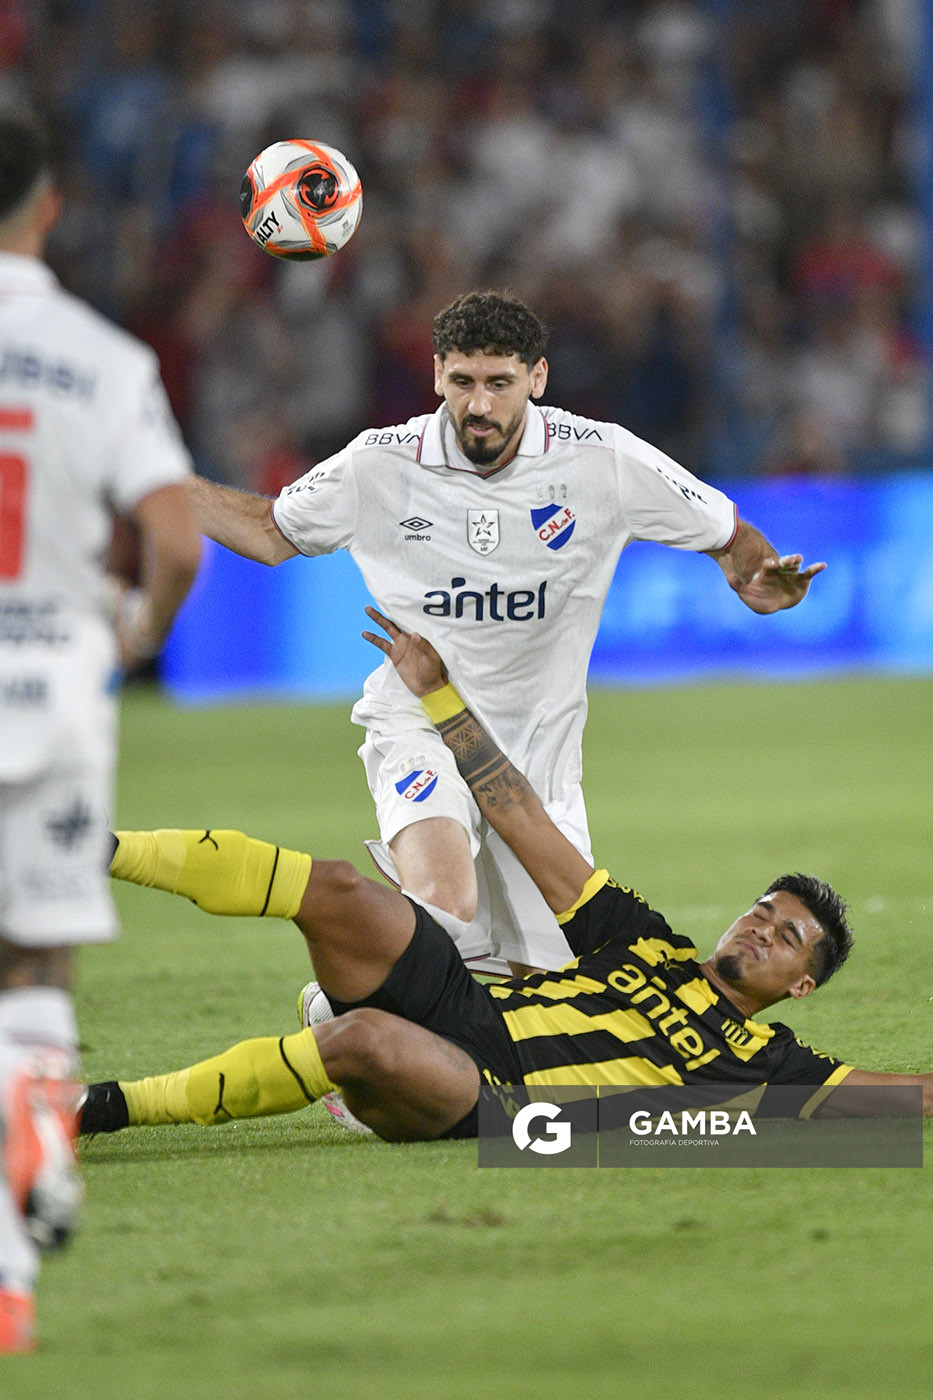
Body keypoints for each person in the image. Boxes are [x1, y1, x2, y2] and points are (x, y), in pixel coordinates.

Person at [80, 608, 932, 1146]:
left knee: (360, 1043)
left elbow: (903, 1103)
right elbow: (522, 819)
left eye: (785, 937)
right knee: (337, 888)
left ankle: (98, 1108)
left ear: (802, 985)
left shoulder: (766, 1064)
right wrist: (442, 700)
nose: (757, 928)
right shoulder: (647, 942)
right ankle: (82, 847)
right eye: (760, 910)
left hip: (490, 1097)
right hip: (465, 1002)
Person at [188, 289, 825, 977]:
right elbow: (267, 532)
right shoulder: (379, 463)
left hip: (540, 764)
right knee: (444, 902)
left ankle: (365, 1019)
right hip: (421, 724)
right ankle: (342, 1030)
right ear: (437, 375)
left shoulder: (602, 459)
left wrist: (754, 577)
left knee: (540, 991)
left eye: (499, 383)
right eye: (462, 382)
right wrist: (147, 482)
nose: (479, 405)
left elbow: (730, 535)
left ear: (537, 379)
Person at [0, 109, 201, 1352]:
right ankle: (40, 1157)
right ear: (51, 203)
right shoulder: (101, 355)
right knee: (35, 957)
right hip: (53, 678)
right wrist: (134, 629)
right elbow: (176, 537)